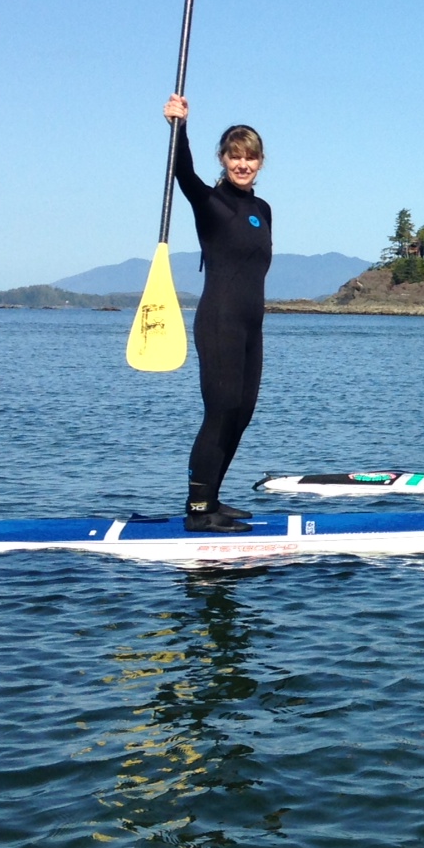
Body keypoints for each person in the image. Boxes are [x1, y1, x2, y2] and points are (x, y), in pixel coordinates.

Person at [164, 94, 271, 532]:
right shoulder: (211, 203)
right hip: (220, 320)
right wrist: (179, 126)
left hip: (252, 325)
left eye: (250, 157)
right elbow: (182, 173)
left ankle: (213, 497)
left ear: (261, 161)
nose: (242, 164)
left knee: (242, 411)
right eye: (234, 156)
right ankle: (197, 510)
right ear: (223, 159)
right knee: (220, 409)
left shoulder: (262, 210)